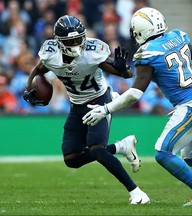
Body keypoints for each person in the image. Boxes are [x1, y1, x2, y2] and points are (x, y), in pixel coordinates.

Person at [82, 7, 192, 206]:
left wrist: (106, 109)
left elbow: (135, 94)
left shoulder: (147, 53)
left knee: (163, 153)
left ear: (141, 31)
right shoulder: (177, 37)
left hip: (190, 106)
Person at [23, 15, 150, 205]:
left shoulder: (92, 51)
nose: (76, 43)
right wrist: (28, 88)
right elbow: (38, 69)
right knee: (72, 158)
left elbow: (125, 74)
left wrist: (123, 70)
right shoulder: (51, 53)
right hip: (76, 105)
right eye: (71, 40)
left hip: (99, 100)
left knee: (97, 149)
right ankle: (121, 146)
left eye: (78, 38)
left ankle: (137, 193)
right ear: (59, 42)